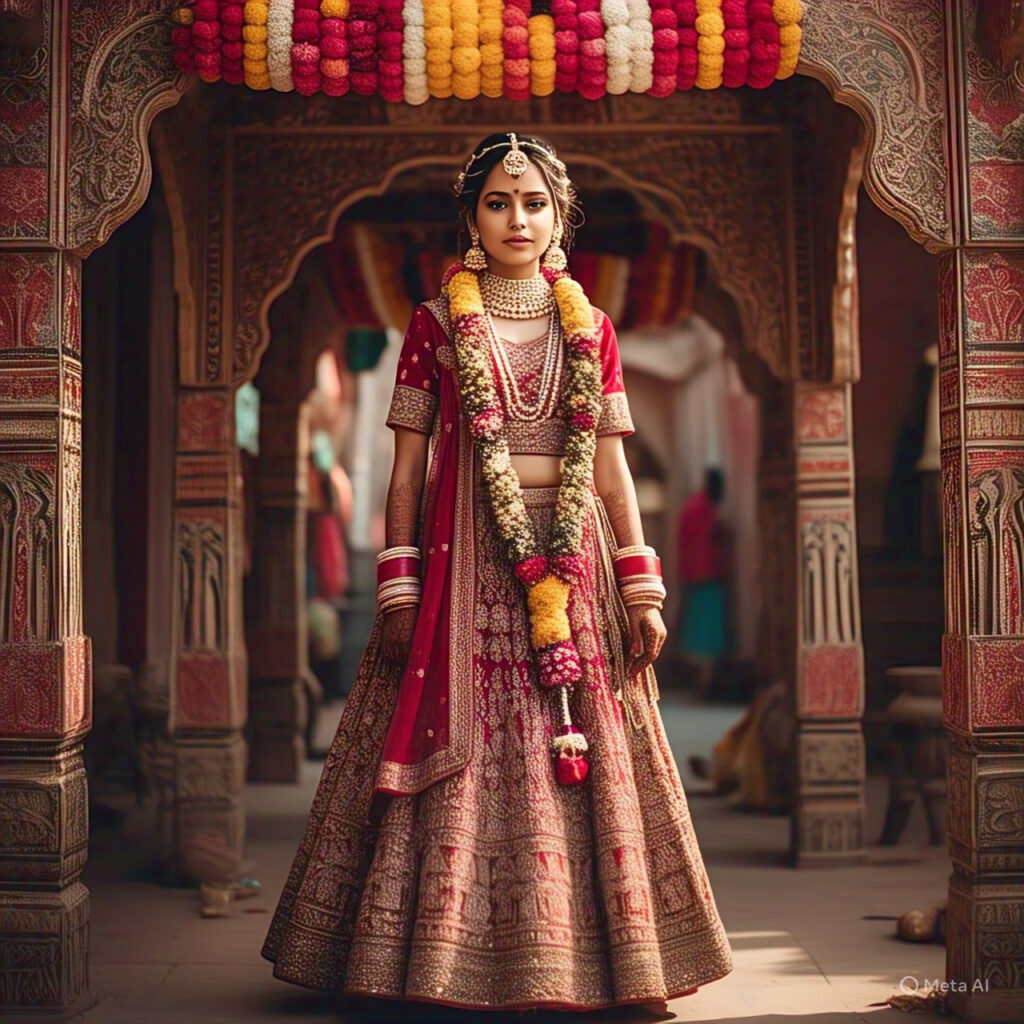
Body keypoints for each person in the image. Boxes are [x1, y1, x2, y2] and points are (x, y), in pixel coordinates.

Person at [262, 133, 732, 1013]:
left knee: (582, 740)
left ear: (560, 219)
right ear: (472, 218)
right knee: (478, 741)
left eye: (535, 203)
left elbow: (612, 472)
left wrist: (641, 584)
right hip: (463, 558)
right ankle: (439, 961)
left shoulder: (592, 329)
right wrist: (397, 584)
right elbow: (407, 471)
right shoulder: (437, 324)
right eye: (499, 202)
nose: (519, 218)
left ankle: (605, 964)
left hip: (577, 559)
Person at [676, 467, 729, 697]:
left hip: (696, 575)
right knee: (706, 633)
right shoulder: (701, 509)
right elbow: (703, 542)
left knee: (699, 630)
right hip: (705, 575)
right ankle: (703, 684)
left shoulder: (696, 506)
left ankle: (702, 682)